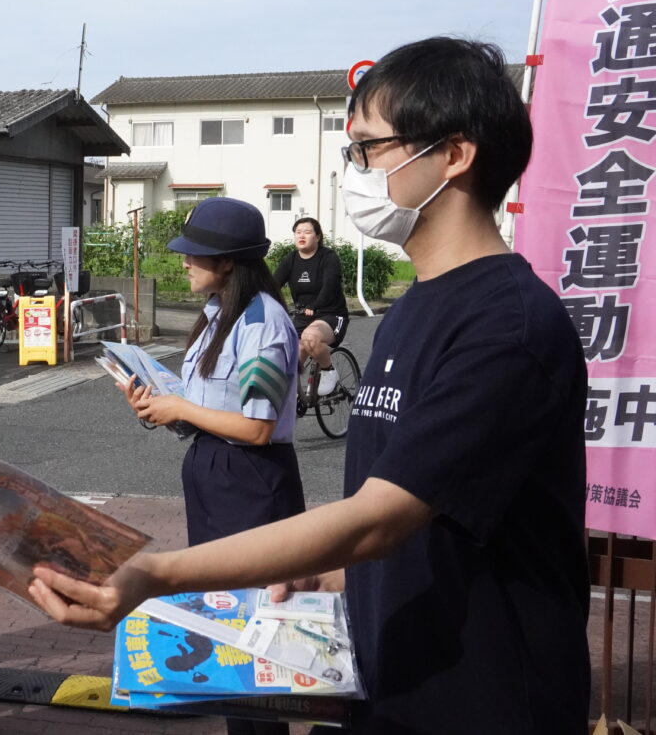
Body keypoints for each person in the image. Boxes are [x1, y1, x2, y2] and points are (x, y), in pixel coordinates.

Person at [29, 37, 589, 734]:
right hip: (398, 681)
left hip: (485, 700)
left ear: (454, 153)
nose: (354, 170)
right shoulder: (412, 311)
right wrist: (336, 578)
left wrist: (156, 574)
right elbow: (432, 516)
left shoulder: (506, 327)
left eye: (367, 149)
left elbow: (379, 515)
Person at [121, 197, 302, 735]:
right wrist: (161, 408)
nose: (184, 263)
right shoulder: (218, 312)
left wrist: (179, 408)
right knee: (225, 624)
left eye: (195, 255)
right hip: (212, 471)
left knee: (255, 630)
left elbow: (257, 426)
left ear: (229, 261)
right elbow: (209, 409)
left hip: (251, 480)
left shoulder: (264, 322)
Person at [272, 217, 349, 396]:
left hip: (330, 314)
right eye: (298, 232)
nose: (302, 236)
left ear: (318, 237)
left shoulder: (328, 257)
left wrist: (315, 305)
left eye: (307, 232)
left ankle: (329, 371)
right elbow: (273, 284)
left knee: (311, 337)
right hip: (303, 315)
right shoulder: (291, 259)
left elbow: (330, 286)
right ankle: (294, 399)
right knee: (286, 359)